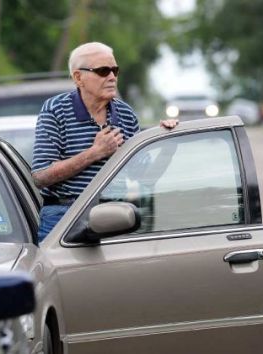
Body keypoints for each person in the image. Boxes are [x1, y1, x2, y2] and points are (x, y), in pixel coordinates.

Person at [31, 42, 178, 242]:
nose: (111, 77)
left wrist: (167, 143)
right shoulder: (55, 109)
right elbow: (41, 176)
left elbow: (144, 177)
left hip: (114, 217)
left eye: (115, 70)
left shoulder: (126, 114)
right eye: (102, 71)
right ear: (78, 77)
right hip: (63, 217)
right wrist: (95, 152)